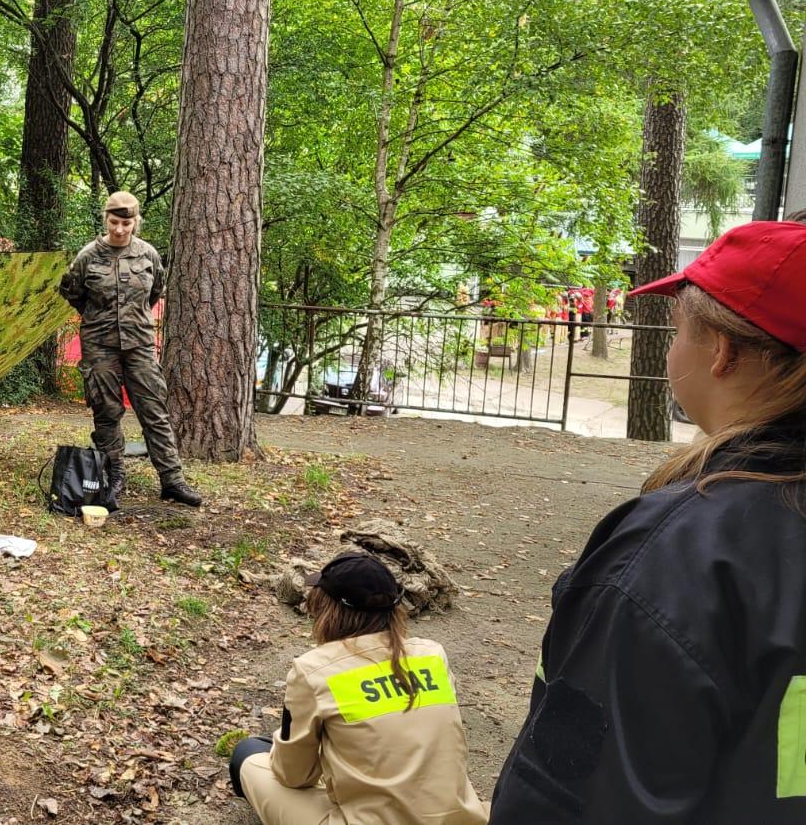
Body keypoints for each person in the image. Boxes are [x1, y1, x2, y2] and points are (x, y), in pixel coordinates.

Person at [489, 220, 806, 822]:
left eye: (678, 331)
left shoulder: (678, 557)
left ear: (722, 352)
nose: (671, 350)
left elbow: (579, 800)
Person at [230, 553, 487, 825]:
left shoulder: (314, 670)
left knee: (248, 753)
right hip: (458, 819)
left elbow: (294, 776)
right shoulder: (433, 655)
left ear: (327, 608)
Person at [58, 191, 202, 507]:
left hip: (139, 345)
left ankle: (172, 480)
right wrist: (100, 318)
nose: (120, 229)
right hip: (100, 346)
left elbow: (155, 292)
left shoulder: (148, 255)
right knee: (106, 412)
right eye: (114, 222)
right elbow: (73, 293)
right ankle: (113, 476)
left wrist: (132, 317)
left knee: (154, 411)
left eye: (127, 223)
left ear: (136, 221)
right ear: (105, 219)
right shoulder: (87, 257)